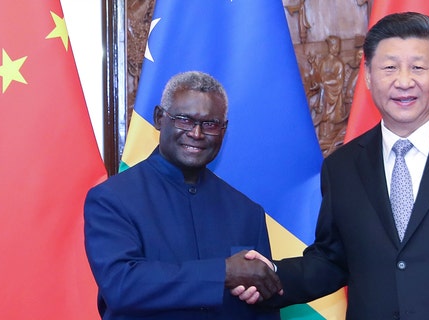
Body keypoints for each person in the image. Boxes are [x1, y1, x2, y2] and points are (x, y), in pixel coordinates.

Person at [237, 12, 429, 319]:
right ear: (370, 77)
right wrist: (272, 275)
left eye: (417, 67)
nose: (404, 81)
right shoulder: (342, 166)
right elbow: (332, 260)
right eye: (389, 68)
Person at [84, 71, 282, 320]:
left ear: (224, 130)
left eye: (210, 124)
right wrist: (224, 273)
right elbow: (122, 286)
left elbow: (263, 307)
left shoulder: (247, 212)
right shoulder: (112, 199)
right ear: (159, 118)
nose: (197, 134)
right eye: (184, 120)